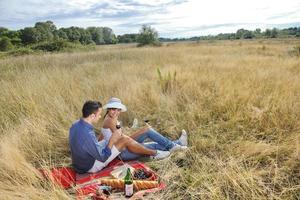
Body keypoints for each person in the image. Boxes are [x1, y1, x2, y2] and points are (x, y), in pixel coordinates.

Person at [69, 100, 170, 174]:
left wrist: (107, 141)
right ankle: (155, 153)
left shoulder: (76, 124)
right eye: (99, 115)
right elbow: (103, 157)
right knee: (125, 140)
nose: (100, 117)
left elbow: (91, 144)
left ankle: (171, 145)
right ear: (92, 116)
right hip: (90, 166)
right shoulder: (87, 133)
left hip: (80, 164)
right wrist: (113, 139)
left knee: (113, 141)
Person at [101, 97, 188, 161]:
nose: (116, 112)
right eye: (113, 109)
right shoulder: (109, 121)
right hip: (123, 153)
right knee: (152, 145)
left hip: (124, 146)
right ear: (108, 109)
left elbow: (103, 136)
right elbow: (121, 138)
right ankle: (177, 144)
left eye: (118, 110)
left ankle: (175, 145)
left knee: (147, 130)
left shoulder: (110, 118)